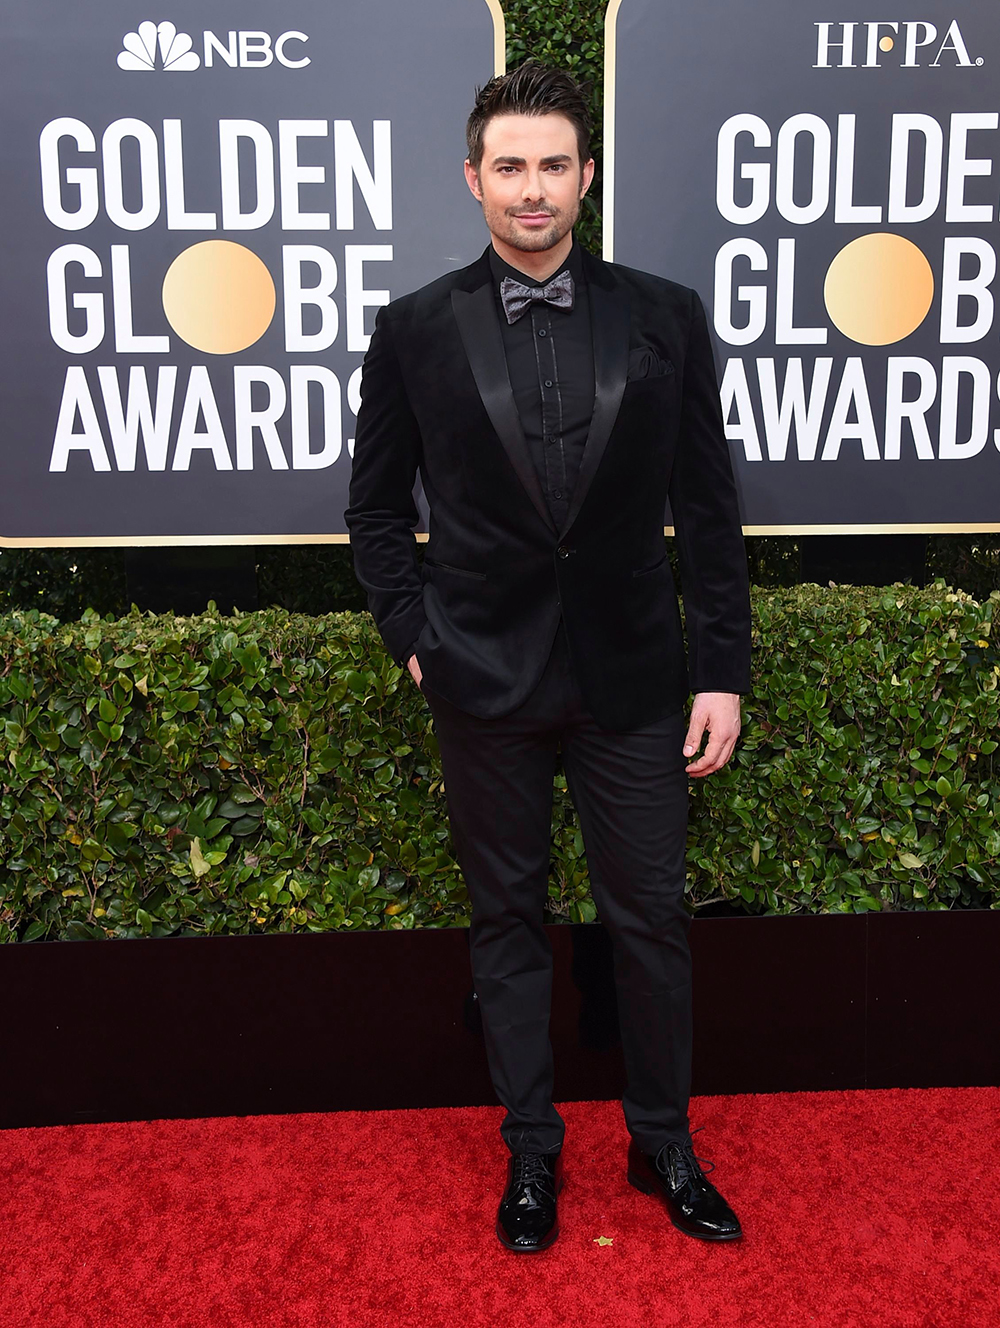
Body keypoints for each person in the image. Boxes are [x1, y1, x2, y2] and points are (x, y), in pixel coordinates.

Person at [345, 61, 752, 1253]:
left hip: (632, 678)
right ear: (473, 179)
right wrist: (414, 637)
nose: (533, 188)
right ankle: (531, 1150)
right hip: (483, 677)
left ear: (586, 176)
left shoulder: (665, 314)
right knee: (506, 918)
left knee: (653, 921)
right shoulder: (414, 327)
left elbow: (711, 510)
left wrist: (719, 667)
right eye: (510, 166)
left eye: (554, 164)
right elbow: (374, 511)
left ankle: (662, 1138)